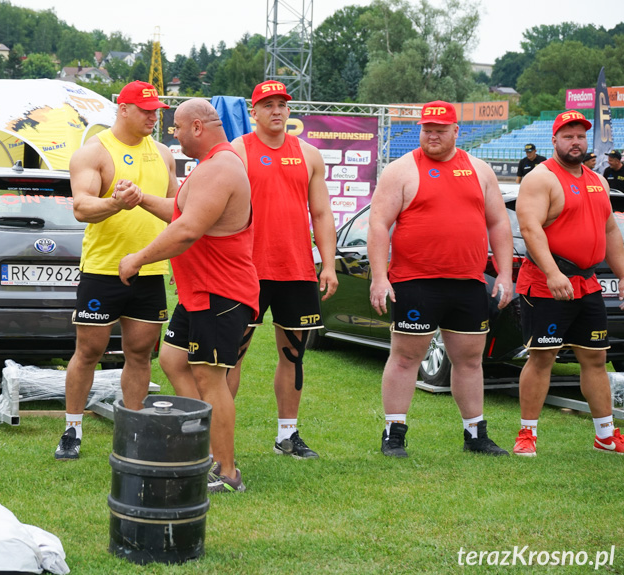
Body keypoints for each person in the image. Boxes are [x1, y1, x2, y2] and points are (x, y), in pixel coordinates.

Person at [119, 99, 258, 493]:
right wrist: (141, 198)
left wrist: (137, 260)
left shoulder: (221, 168)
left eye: (176, 128)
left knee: (211, 377)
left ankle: (227, 472)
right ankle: (204, 446)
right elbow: (181, 210)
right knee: (173, 360)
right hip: (200, 292)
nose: (172, 136)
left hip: (222, 293)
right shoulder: (209, 167)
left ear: (197, 127)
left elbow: (186, 231)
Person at [368, 100, 513, 458]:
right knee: (405, 358)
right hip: (416, 282)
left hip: (467, 282)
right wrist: (379, 278)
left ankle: (475, 435)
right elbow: (378, 224)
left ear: (455, 131)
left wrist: (506, 275)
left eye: (440, 130)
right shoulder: (401, 170)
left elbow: (498, 223)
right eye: (427, 129)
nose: (432, 135)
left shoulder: (479, 170)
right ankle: (394, 433)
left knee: (470, 360)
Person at [54, 81, 177, 460]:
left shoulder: (163, 154)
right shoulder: (95, 152)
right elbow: (82, 208)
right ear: (122, 109)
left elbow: (177, 207)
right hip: (103, 269)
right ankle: (72, 430)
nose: (153, 117)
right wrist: (116, 203)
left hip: (150, 269)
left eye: (156, 110)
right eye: (145, 110)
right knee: (88, 351)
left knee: (140, 354)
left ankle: (134, 430)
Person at [224, 81, 338, 460]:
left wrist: (328, 264)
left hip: (296, 270)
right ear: (253, 111)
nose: (276, 110)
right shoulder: (237, 151)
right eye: (267, 104)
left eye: (282, 104)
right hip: (246, 270)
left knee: (293, 355)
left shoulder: (309, 154)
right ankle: (220, 440)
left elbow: (321, 214)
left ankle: (287, 435)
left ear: (289, 111)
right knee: (231, 355)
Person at [513, 111, 624, 456]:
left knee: (595, 358)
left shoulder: (598, 180)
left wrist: (623, 275)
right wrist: (552, 272)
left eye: (580, 136)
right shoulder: (540, 178)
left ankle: (605, 435)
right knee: (542, 357)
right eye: (568, 136)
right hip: (548, 283)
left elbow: (609, 231)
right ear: (555, 140)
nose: (575, 142)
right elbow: (530, 229)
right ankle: (527, 433)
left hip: (587, 284)